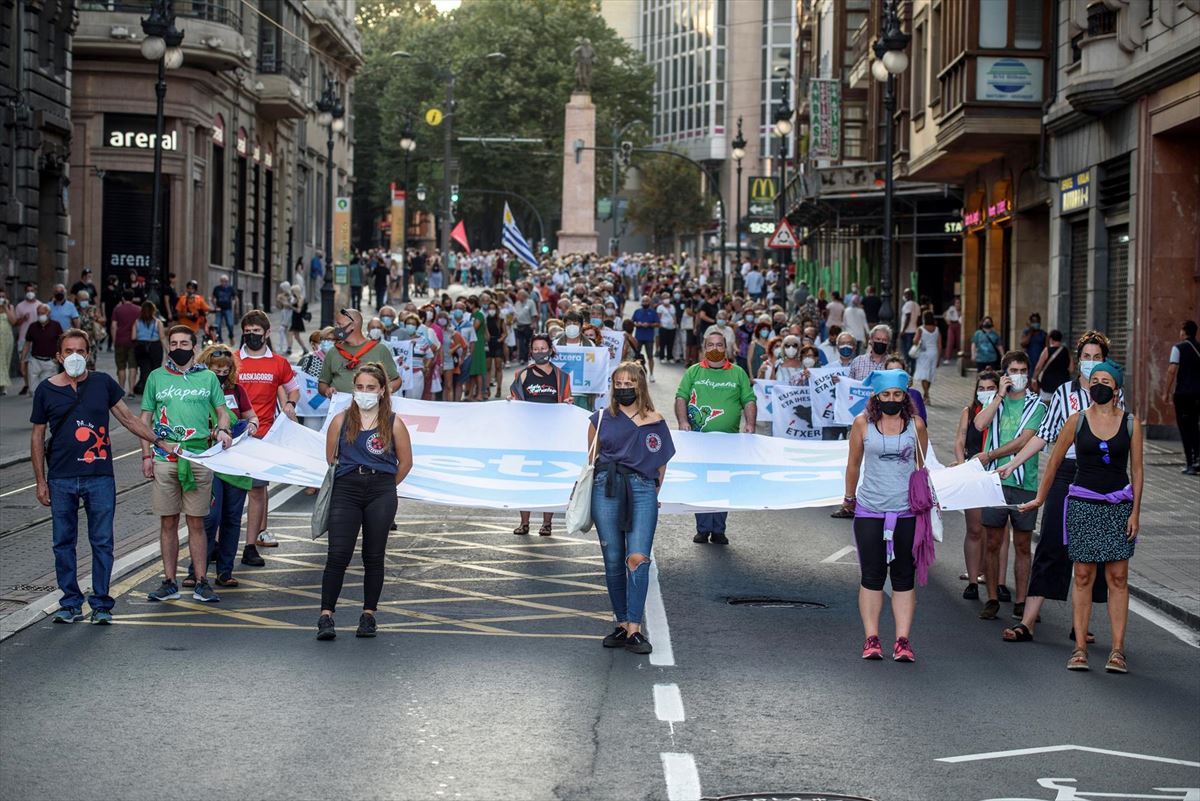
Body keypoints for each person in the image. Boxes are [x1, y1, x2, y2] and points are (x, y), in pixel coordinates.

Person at [1020, 360, 1142, 673]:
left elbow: (1139, 472)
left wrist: (1136, 513)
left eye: (1105, 380)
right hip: (1083, 505)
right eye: (1094, 379)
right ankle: (1079, 649)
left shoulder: (1131, 423)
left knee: (1118, 578)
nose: (1098, 384)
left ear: (1116, 389)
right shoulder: (1076, 421)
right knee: (1084, 576)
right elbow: (1054, 462)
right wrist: (1040, 499)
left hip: (1117, 506)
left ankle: (1118, 650)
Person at [32, 328, 161, 624]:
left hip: (99, 475)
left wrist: (158, 442)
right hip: (61, 477)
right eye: (68, 351)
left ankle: (101, 603)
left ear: (89, 355)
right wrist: (40, 480)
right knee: (63, 542)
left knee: (102, 541)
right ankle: (70, 602)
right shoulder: (45, 390)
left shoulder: (103, 383)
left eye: (80, 351)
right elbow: (37, 438)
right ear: (58, 356)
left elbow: (128, 419)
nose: (74, 356)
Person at [997, 330, 1116, 644]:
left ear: (1106, 361)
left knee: (1089, 552)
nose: (1091, 364)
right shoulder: (1065, 393)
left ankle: (1080, 624)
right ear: (1078, 362)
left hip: (1099, 475)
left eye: (1097, 358)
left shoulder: (1115, 394)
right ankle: (1029, 621)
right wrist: (1013, 461)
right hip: (1066, 472)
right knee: (1051, 542)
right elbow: (1043, 435)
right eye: (1086, 358)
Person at [317, 363, 414, 641]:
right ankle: (326, 616)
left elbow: (406, 463)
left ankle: (368, 615)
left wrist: (384, 487)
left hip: (380, 490)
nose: (364, 392)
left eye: (371, 388)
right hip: (346, 489)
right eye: (360, 387)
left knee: (373, 556)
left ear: (382, 390)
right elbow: (331, 458)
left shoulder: (394, 422)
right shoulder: (341, 420)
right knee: (337, 555)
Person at [842, 368, 931, 662]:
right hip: (870, 510)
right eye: (885, 395)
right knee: (872, 575)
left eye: (897, 394)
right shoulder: (862, 424)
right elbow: (853, 464)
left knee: (904, 576)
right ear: (876, 396)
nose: (891, 399)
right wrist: (849, 497)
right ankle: (872, 638)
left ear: (904, 396)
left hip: (906, 512)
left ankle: (903, 641)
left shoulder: (916, 425)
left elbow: (920, 467)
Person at [140, 324, 233, 604]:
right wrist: (146, 455)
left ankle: (201, 581)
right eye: (174, 343)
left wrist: (223, 429)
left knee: (197, 523)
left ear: (194, 347)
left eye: (184, 344)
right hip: (164, 459)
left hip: (198, 458)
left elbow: (222, 412)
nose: (178, 348)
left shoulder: (208, 378)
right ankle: (169, 581)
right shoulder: (156, 377)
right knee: (168, 522)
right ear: (168, 346)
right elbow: (144, 421)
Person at [588, 361, 676, 655]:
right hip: (606, 488)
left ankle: (635, 628)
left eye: (630, 383)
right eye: (619, 384)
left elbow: (661, 464)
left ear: (640, 385)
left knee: (637, 557)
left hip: (642, 490)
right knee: (612, 559)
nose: (624, 388)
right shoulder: (600, 418)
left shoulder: (656, 421)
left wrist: (654, 492)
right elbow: (591, 461)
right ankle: (621, 622)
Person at [972, 350, 1046, 622]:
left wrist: (991, 455)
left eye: (1022, 370)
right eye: (1013, 371)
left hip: (1024, 483)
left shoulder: (1038, 406)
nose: (1018, 376)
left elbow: (1024, 441)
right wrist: (999, 395)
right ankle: (991, 598)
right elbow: (980, 424)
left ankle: (1021, 600)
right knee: (992, 541)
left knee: (1023, 545)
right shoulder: (996, 402)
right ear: (1005, 375)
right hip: (995, 483)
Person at [182, 345, 259, 588]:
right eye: (217, 370)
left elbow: (251, 416)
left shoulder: (237, 390)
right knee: (208, 517)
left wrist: (251, 426)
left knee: (232, 517)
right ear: (206, 368)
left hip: (234, 463)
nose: (222, 375)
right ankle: (197, 569)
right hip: (209, 462)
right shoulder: (195, 390)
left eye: (226, 370)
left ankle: (225, 571)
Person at [675, 330, 756, 545]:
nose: (715, 349)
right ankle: (702, 529)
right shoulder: (693, 372)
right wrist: (683, 421)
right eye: (710, 345)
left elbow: (748, 400)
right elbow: (681, 397)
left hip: (728, 442)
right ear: (704, 348)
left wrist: (750, 424)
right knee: (702, 483)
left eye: (719, 345)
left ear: (726, 348)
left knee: (722, 484)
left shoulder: (738, 373)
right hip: (698, 440)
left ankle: (719, 530)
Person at [234, 311, 300, 568]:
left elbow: (293, 387)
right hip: (233, 437)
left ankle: (251, 545)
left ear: (267, 333)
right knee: (229, 492)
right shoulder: (233, 359)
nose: (251, 336)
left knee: (258, 490)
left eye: (256, 332)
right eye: (247, 331)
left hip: (263, 436)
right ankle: (219, 544)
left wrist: (291, 404)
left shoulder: (279, 363)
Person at [510, 334, 574, 536]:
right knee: (525, 480)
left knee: (548, 480)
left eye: (543, 348)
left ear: (550, 350)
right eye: (536, 349)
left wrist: (568, 404)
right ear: (531, 351)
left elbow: (566, 400)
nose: (540, 352)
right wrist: (510, 402)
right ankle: (524, 522)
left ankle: (547, 523)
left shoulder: (562, 376)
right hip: (526, 435)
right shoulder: (521, 374)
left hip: (552, 437)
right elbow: (515, 399)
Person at [954, 370, 999, 601]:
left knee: (993, 532)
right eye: (981, 388)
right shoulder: (969, 412)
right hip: (972, 473)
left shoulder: (1003, 411)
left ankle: (993, 579)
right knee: (974, 528)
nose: (985, 392)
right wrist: (962, 466)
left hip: (996, 475)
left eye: (990, 388)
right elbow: (960, 439)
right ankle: (973, 580)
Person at [319, 308, 401, 396]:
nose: (336, 328)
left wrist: (382, 392)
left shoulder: (379, 349)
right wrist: (327, 391)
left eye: (340, 324)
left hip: (372, 406)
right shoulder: (333, 351)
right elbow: (323, 383)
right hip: (340, 406)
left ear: (353, 325)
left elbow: (396, 380)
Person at [1164, 320, 1200, 475]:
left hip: (1184, 395)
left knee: (1185, 428)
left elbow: (1172, 370)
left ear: (1184, 332)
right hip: (1198, 395)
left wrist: (1166, 391)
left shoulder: (1178, 348)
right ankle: (1198, 458)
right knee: (1195, 426)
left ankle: (1191, 464)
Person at [22, 305, 63, 388]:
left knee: (47, 388)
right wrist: (22, 360)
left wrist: (59, 357)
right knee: (33, 389)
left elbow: (61, 342)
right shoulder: (32, 326)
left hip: (50, 362)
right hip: (34, 361)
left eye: (43, 313)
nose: (41, 315)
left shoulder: (56, 325)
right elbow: (27, 343)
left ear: (49, 313)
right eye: (39, 313)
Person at [110, 290, 142, 396]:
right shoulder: (138, 310)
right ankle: (131, 390)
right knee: (133, 366)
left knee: (121, 367)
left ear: (123, 298)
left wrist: (114, 340)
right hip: (134, 341)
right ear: (132, 298)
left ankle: (121, 389)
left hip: (120, 340)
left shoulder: (117, 309)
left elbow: (114, 326)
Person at [132, 301, 165, 395]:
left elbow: (133, 337)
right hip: (155, 346)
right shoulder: (158, 322)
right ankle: (154, 390)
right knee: (155, 369)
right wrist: (168, 351)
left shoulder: (137, 322)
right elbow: (162, 337)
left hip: (141, 347)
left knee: (144, 369)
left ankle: (145, 389)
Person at [911, 311, 941, 403]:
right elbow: (939, 344)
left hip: (924, 353)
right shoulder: (936, 329)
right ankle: (926, 394)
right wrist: (939, 357)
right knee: (930, 374)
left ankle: (926, 394)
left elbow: (915, 341)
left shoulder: (920, 329)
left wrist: (916, 340)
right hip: (934, 353)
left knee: (924, 374)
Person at [1034, 329, 1071, 402]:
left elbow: (1038, 367)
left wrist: (1034, 379)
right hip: (1062, 386)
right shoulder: (1066, 351)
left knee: (1045, 406)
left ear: (1050, 339)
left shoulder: (1047, 350)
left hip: (1047, 385)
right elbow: (1071, 368)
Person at [631, 295, 659, 382]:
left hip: (649, 338)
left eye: (646, 301)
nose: (645, 303)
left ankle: (651, 374)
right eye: (643, 301)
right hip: (638, 337)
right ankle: (634, 374)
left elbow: (658, 323)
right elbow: (631, 322)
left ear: (649, 302)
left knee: (650, 356)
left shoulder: (653, 312)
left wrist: (649, 325)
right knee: (635, 356)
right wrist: (637, 324)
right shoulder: (637, 311)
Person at [75, 291, 106, 365]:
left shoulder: (93, 309)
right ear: (78, 299)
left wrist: (96, 319)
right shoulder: (75, 310)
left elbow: (102, 320)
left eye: (86, 299)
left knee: (91, 362)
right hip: (79, 340)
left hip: (91, 340)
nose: (85, 301)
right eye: (82, 299)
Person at [899, 289, 920, 369]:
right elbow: (918, 318)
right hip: (914, 330)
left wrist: (903, 330)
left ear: (908, 295)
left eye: (905, 294)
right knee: (913, 352)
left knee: (906, 352)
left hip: (907, 332)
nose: (903, 296)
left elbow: (908, 317)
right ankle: (913, 369)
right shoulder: (917, 305)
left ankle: (907, 367)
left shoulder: (907, 304)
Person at [212, 275, 237, 342]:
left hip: (228, 309)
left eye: (225, 281)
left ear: (227, 282)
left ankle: (231, 337)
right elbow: (213, 298)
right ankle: (220, 339)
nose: (224, 283)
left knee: (230, 324)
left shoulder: (230, 288)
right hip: (219, 309)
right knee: (217, 325)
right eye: (222, 281)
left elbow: (235, 298)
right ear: (220, 281)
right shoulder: (217, 288)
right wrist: (215, 306)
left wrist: (235, 308)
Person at [0, 286, 14, 395]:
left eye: (3, 296)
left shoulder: (9, 306)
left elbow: (13, 321)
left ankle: (3, 385)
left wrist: (6, 307)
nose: (1, 298)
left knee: (5, 360)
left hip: (6, 338)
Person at [942, 296, 962, 364]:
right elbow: (945, 314)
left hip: (959, 325)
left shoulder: (962, 309)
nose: (958, 304)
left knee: (959, 342)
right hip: (952, 324)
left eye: (959, 303)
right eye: (956, 303)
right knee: (950, 341)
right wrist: (947, 321)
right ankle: (947, 358)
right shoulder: (951, 308)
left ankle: (960, 357)